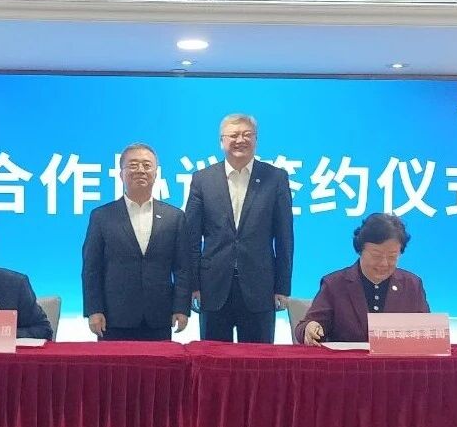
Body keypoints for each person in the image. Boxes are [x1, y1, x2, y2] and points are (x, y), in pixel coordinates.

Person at [184, 113, 294, 343]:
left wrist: (282, 287)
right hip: (213, 287)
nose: (240, 140)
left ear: (256, 140)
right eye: (233, 135)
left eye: (247, 135)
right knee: (212, 358)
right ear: (221, 141)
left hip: (260, 287)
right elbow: (191, 239)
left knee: (258, 360)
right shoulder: (202, 179)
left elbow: (285, 238)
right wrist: (193, 285)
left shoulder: (275, 178)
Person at [81, 142, 190, 340]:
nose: (140, 170)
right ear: (121, 174)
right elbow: (91, 268)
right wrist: (94, 310)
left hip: (159, 316)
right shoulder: (101, 216)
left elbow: (182, 268)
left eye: (147, 165)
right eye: (133, 165)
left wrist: (181, 307)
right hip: (113, 317)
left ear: (156, 173)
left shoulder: (174, 217)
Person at [295, 212, 429, 345]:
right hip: (348, 359)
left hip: (397, 358)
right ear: (360, 250)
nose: (384, 263)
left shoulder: (412, 285)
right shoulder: (334, 284)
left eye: (392, 256)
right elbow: (306, 326)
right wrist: (309, 328)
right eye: (376, 255)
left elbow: (428, 331)